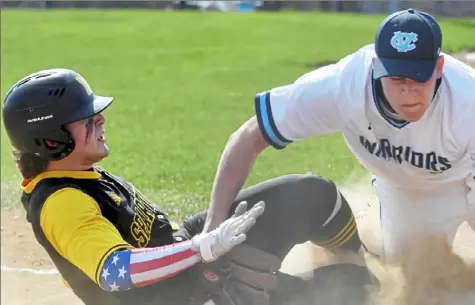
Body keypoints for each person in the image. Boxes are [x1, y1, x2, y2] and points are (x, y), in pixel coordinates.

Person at [2, 68, 376, 305]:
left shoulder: (77, 174)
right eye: (85, 119)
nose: (99, 119)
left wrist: (198, 246)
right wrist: (202, 250)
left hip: (185, 266)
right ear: (50, 141)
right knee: (346, 292)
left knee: (311, 196)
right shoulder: (62, 202)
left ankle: (360, 263)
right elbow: (116, 272)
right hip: (184, 293)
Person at [202, 8, 475, 262]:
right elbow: (250, 136)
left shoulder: (467, 102)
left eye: (418, 77)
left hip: (463, 175)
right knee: (414, 278)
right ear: (376, 66)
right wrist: (212, 230)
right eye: (397, 79)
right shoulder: (343, 87)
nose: (408, 91)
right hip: (402, 189)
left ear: (439, 67)